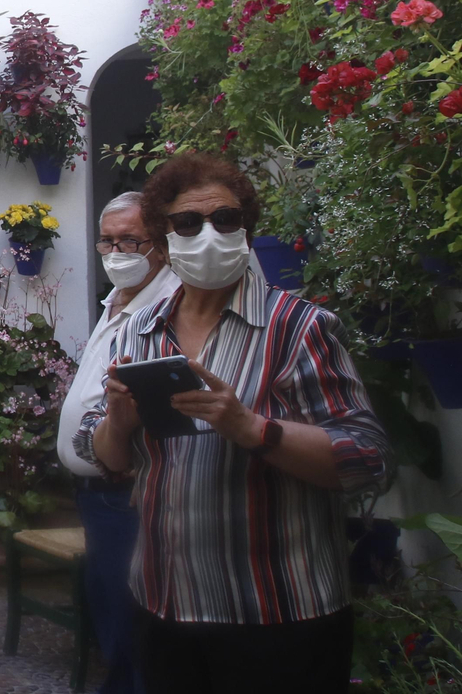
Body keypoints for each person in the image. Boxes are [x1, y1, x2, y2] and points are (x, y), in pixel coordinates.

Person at [75, 152, 392, 694]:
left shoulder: (298, 329)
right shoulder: (140, 333)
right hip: (165, 605)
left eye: (225, 219)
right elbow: (109, 459)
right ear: (164, 234)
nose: (208, 234)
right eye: (188, 222)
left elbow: (367, 459)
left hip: (277, 615)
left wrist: (253, 429)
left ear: (245, 226)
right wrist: (119, 425)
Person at [56, 191, 179, 694]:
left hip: (129, 492)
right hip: (99, 497)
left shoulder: (170, 305)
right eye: (107, 241)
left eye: (131, 240)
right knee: (112, 609)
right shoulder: (118, 302)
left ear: (161, 245)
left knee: (134, 626)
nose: (117, 251)